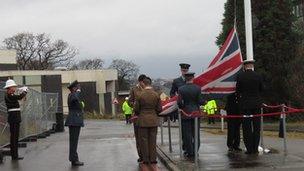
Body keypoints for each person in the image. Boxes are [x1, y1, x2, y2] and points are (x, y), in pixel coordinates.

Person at [236, 59, 263, 154]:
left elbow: (238, 91)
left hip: (245, 105)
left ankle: (249, 148)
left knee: (246, 127)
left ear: (244, 66)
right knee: (256, 127)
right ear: (252, 65)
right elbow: (261, 89)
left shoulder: (240, 76)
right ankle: (255, 148)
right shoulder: (258, 76)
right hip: (256, 104)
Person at [135, 77, 162, 167]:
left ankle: (146, 159)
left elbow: (136, 109)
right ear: (150, 84)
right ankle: (153, 159)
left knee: (143, 140)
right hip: (153, 119)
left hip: (142, 120)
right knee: (153, 140)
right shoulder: (156, 95)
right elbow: (159, 109)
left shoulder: (139, 95)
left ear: (144, 84)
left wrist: (140, 113)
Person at [177, 72, 204, 159]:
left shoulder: (181, 89)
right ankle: (196, 150)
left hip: (185, 113)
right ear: (193, 78)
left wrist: (182, 107)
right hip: (196, 112)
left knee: (187, 134)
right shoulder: (198, 88)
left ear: (185, 78)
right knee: (196, 133)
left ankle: (190, 152)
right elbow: (200, 101)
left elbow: (179, 103)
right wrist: (205, 101)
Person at [4, 79, 27, 160]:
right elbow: (19, 97)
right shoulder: (9, 95)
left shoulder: (11, 94)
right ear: (9, 88)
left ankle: (15, 155)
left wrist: (23, 92)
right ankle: (14, 156)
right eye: (13, 86)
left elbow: (19, 97)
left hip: (15, 117)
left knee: (15, 137)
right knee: (14, 137)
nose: (15, 87)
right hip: (13, 118)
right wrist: (24, 92)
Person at [65, 80, 84, 166]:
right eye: (77, 87)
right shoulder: (72, 95)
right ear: (74, 88)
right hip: (74, 121)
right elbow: (75, 98)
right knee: (73, 141)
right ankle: (74, 159)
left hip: (75, 120)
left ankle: (74, 158)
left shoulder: (73, 95)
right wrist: (78, 92)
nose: (79, 88)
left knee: (74, 141)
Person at [129, 74, 146, 163]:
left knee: (147, 137)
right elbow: (129, 101)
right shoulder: (134, 89)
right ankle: (141, 155)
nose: (144, 84)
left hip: (146, 116)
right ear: (140, 82)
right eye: (143, 82)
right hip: (137, 115)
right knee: (139, 137)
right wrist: (135, 105)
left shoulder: (149, 88)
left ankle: (148, 155)